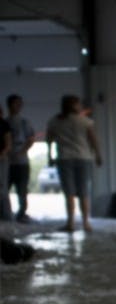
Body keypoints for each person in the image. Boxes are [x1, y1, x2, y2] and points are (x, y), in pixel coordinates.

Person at [46, 95, 101, 232]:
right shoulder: (85, 121)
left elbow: (49, 140)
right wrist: (98, 155)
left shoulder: (55, 121)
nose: (81, 106)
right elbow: (93, 140)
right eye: (79, 104)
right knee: (83, 192)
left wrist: (50, 156)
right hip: (83, 158)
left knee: (69, 193)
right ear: (74, 105)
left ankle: (70, 223)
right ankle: (86, 223)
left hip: (64, 159)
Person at [6, 95, 36, 223]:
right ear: (9, 105)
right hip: (7, 161)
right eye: (15, 104)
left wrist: (22, 151)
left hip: (21, 161)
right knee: (4, 188)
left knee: (22, 189)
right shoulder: (5, 122)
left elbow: (30, 139)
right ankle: (5, 212)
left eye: (20, 104)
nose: (18, 106)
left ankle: (22, 213)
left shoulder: (25, 121)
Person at [0, 106, 11, 221]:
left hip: (2, 159)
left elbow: (8, 142)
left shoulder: (3, 124)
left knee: (2, 188)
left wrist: (3, 154)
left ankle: (6, 216)